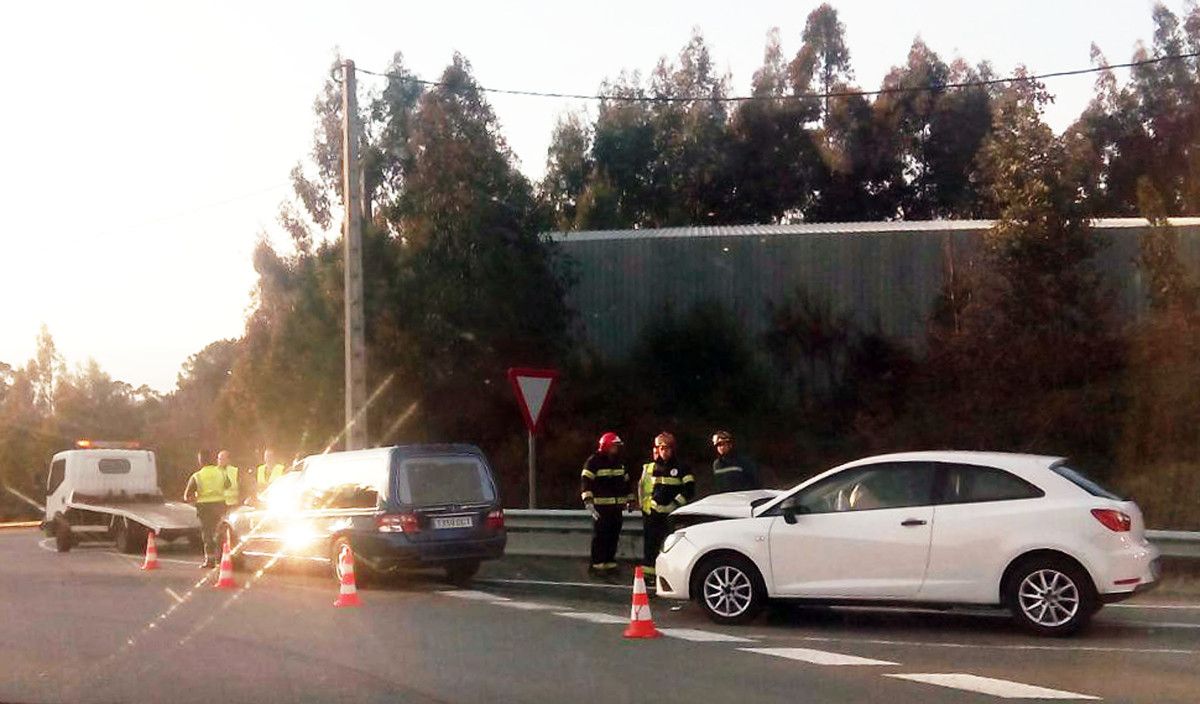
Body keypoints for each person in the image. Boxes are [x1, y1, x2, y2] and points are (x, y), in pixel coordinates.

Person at [638, 432, 694, 577]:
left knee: (669, 546)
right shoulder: (654, 468)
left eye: (667, 448)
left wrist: (674, 504)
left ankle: (669, 575)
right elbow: (647, 489)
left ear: (673, 449)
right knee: (650, 546)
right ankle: (649, 575)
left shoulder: (682, 467)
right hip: (653, 514)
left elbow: (689, 491)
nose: (664, 451)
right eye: (661, 448)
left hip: (672, 515)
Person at [581, 432, 634, 577]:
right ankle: (597, 565)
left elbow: (627, 483)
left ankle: (610, 563)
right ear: (606, 446)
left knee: (613, 536)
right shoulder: (593, 462)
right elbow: (586, 483)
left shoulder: (619, 463)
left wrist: (630, 500)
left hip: (616, 509)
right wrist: (588, 502)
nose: (616, 449)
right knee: (600, 537)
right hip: (601, 508)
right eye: (614, 446)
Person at [183, 451, 231, 568]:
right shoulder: (221, 473)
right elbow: (228, 485)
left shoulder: (197, 476)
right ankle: (221, 558)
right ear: (213, 460)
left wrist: (196, 498)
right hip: (220, 506)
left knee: (208, 534)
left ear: (200, 461)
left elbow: (186, 496)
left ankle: (209, 560)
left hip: (204, 508)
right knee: (220, 533)